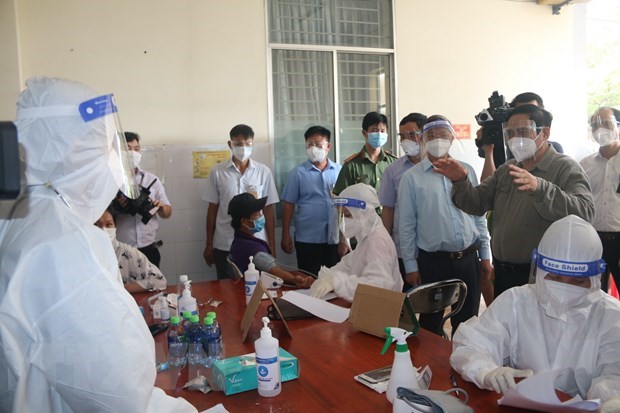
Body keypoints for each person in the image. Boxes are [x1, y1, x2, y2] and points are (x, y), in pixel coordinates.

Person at [0, 77, 195, 412]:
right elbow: (119, 394)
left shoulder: (18, 215)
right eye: (105, 147)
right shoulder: (61, 242)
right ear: (74, 153)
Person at [450, 215, 620, 411]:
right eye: (554, 277)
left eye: (578, 281)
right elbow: (472, 343)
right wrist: (485, 371)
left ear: (596, 277)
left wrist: (611, 399)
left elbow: (614, 373)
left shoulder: (611, 317)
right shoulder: (515, 302)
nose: (564, 290)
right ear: (539, 270)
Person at [434, 104, 594, 298]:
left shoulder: (564, 167)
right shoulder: (508, 169)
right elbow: (475, 203)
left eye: (523, 131)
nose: (515, 139)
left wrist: (541, 188)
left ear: (544, 132)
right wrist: (460, 181)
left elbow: (585, 212)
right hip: (503, 273)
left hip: (542, 277)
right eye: (510, 133)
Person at [398, 116, 492, 336]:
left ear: (452, 138)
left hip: (468, 259)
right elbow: (406, 225)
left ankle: (464, 366)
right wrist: (411, 266)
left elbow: (478, 214)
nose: (437, 140)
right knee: (431, 325)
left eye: (442, 135)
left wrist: (486, 254)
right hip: (433, 263)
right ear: (422, 139)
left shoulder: (466, 170)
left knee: (468, 324)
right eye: (431, 136)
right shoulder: (411, 178)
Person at [202, 124, 279, 279]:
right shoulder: (218, 172)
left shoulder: (263, 172)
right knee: (226, 291)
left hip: (256, 243)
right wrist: (209, 244)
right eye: (238, 144)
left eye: (247, 144)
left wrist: (271, 243)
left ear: (252, 144)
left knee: (259, 291)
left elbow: (269, 209)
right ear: (230, 144)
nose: (243, 148)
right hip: (225, 243)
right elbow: (212, 210)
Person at [310, 183, 403, 302]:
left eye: (348, 215)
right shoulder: (366, 236)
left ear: (364, 212)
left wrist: (337, 282)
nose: (345, 221)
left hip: (382, 312)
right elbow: (351, 263)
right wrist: (329, 275)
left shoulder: (377, 240)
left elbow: (379, 285)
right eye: (342, 216)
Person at [280, 126, 342, 276]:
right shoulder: (298, 173)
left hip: (334, 238)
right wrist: (285, 233)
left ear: (328, 147)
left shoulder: (340, 171)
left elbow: (346, 204)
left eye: (318, 145)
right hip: (307, 238)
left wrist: (345, 238)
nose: (313, 148)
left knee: (334, 282)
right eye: (310, 145)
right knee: (308, 280)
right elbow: (289, 204)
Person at [379, 112, 427, 291]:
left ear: (425, 135)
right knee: (404, 301)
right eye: (402, 136)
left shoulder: (440, 167)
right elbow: (388, 209)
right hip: (403, 248)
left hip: (432, 249)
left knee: (432, 303)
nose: (406, 140)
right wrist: (386, 243)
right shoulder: (393, 170)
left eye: (412, 135)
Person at [228, 193, 313, 288]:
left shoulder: (239, 241)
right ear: (244, 221)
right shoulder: (250, 248)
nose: (261, 216)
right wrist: (294, 279)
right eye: (258, 213)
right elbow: (272, 270)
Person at [113, 131, 172, 267]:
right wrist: (117, 207)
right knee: (125, 288)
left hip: (149, 248)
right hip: (121, 249)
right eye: (128, 149)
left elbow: (168, 212)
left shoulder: (151, 180)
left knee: (154, 287)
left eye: (137, 149)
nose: (133, 153)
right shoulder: (111, 180)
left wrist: (161, 207)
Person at [478, 92, 564, 181]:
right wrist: (488, 150)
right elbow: (487, 188)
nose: (516, 138)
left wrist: (538, 186)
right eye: (521, 110)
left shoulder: (559, 158)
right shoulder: (503, 147)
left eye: (532, 110)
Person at [580, 107, 620, 293]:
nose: (600, 129)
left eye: (606, 123)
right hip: (593, 239)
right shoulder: (584, 165)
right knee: (593, 294)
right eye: (595, 125)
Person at [95, 210, 167, 293]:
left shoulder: (126, 252)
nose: (104, 230)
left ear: (115, 227)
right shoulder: (84, 255)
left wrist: (120, 288)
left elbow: (159, 280)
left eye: (109, 225)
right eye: (97, 225)